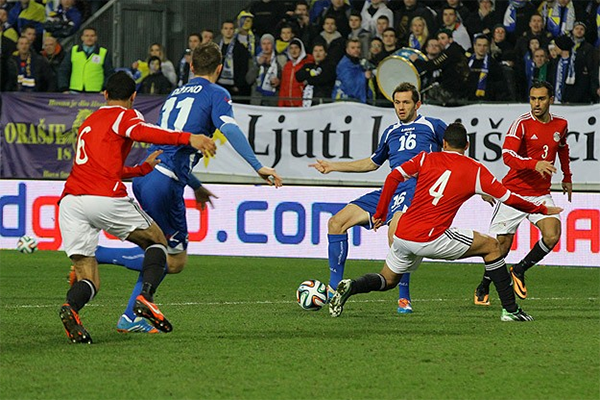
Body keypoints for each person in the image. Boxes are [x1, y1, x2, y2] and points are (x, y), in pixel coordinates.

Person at [86, 43, 283, 333]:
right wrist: (257, 166)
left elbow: (171, 145)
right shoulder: (217, 94)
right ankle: (101, 261)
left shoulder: (173, 94)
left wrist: (196, 186)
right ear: (219, 69)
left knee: (159, 252)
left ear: (191, 67)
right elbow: (229, 128)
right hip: (166, 183)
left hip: (148, 177)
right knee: (174, 261)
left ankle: (130, 314)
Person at [329, 122, 562, 321]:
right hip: (432, 237)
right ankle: (511, 310)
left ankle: (352, 285)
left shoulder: (424, 158)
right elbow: (510, 198)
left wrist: (381, 213)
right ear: (467, 146)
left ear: (444, 143)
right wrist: (541, 208)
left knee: (388, 279)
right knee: (491, 247)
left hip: (402, 235)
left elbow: (393, 176)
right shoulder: (475, 170)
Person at [58, 71, 217, 343]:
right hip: (105, 198)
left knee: (89, 278)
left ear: (105, 94)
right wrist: (189, 138)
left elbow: (104, 168)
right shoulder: (125, 116)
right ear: (133, 97)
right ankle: (145, 298)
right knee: (157, 241)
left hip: (71, 202)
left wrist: (142, 169)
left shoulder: (89, 121)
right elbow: (145, 132)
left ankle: (71, 308)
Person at [310, 82, 447, 314]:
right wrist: (333, 166)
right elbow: (372, 163)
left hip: (417, 188)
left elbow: (456, 150)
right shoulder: (390, 132)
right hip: (391, 188)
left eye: (406, 102)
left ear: (418, 104)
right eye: (397, 102)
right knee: (336, 223)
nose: (401, 107)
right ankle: (335, 289)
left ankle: (404, 298)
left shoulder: (433, 126)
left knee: (397, 234)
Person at [473, 81, 572, 306]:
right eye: (533, 99)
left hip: (540, 193)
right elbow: (507, 155)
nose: (536, 103)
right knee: (500, 248)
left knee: (552, 234)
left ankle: (519, 270)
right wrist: (533, 164)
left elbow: (563, 149)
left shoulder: (561, 124)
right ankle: (484, 285)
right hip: (513, 193)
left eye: (541, 99)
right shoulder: (521, 124)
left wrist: (567, 176)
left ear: (551, 100)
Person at [57, 27, 113, 93]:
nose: (89, 38)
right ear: (82, 38)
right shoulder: (73, 51)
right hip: (74, 91)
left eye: (92, 36)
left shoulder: (103, 52)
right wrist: (64, 88)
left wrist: (105, 89)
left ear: (96, 38)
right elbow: (64, 70)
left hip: (96, 92)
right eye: (87, 36)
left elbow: (109, 73)